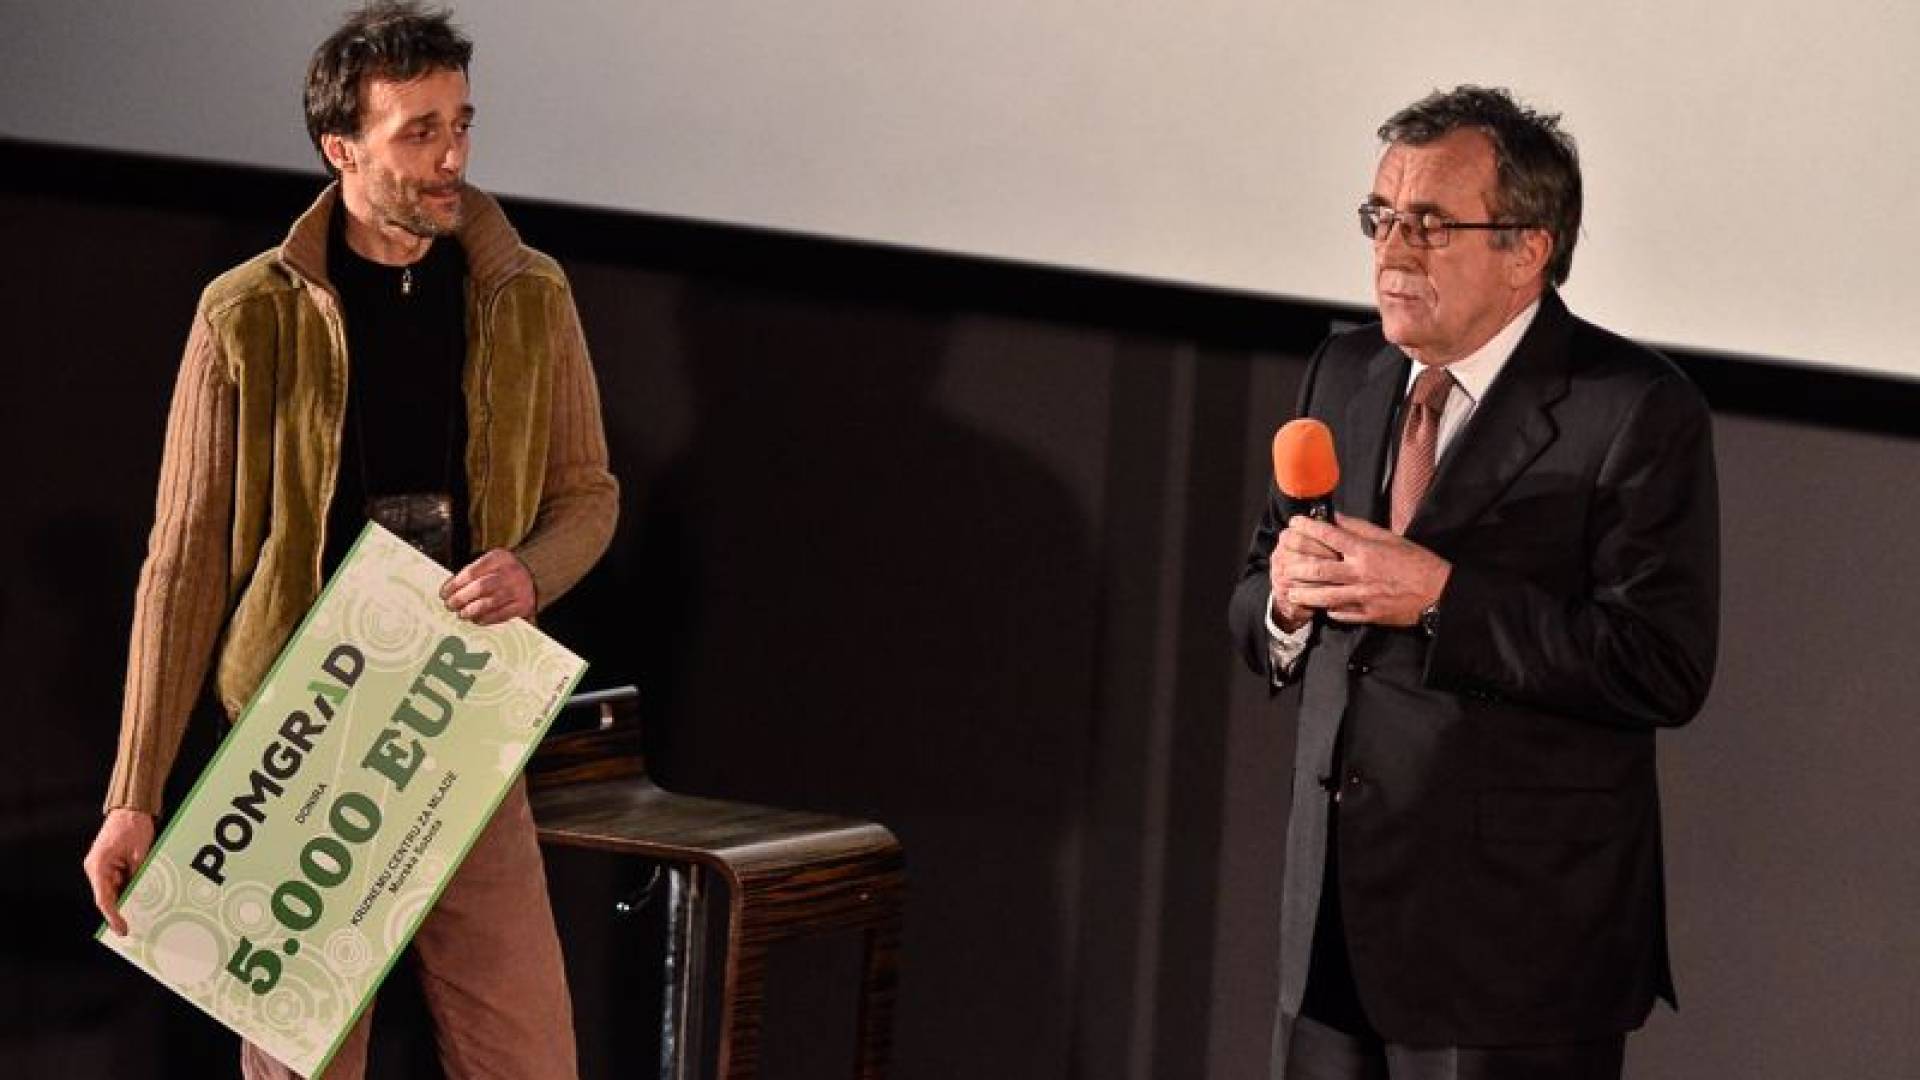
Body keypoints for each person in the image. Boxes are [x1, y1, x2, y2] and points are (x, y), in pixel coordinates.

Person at [79, 4, 618, 1076]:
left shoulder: (527, 294)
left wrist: (531, 571)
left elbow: (588, 494)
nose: (452, 155)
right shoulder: (247, 315)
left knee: (527, 1053)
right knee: (302, 1065)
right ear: (342, 148)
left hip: (461, 711)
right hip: (302, 729)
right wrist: (134, 793)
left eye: (461, 124)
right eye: (419, 131)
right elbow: (183, 566)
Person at [1230, 86, 1719, 1079]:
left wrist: (1442, 600)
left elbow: (1659, 666)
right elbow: (1254, 599)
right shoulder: (1344, 372)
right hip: (1330, 932)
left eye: (1429, 224)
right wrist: (1283, 600)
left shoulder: (1632, 410)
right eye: (1380, 216)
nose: (1391, 250)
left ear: (1527, 248)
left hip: (1510, 951)